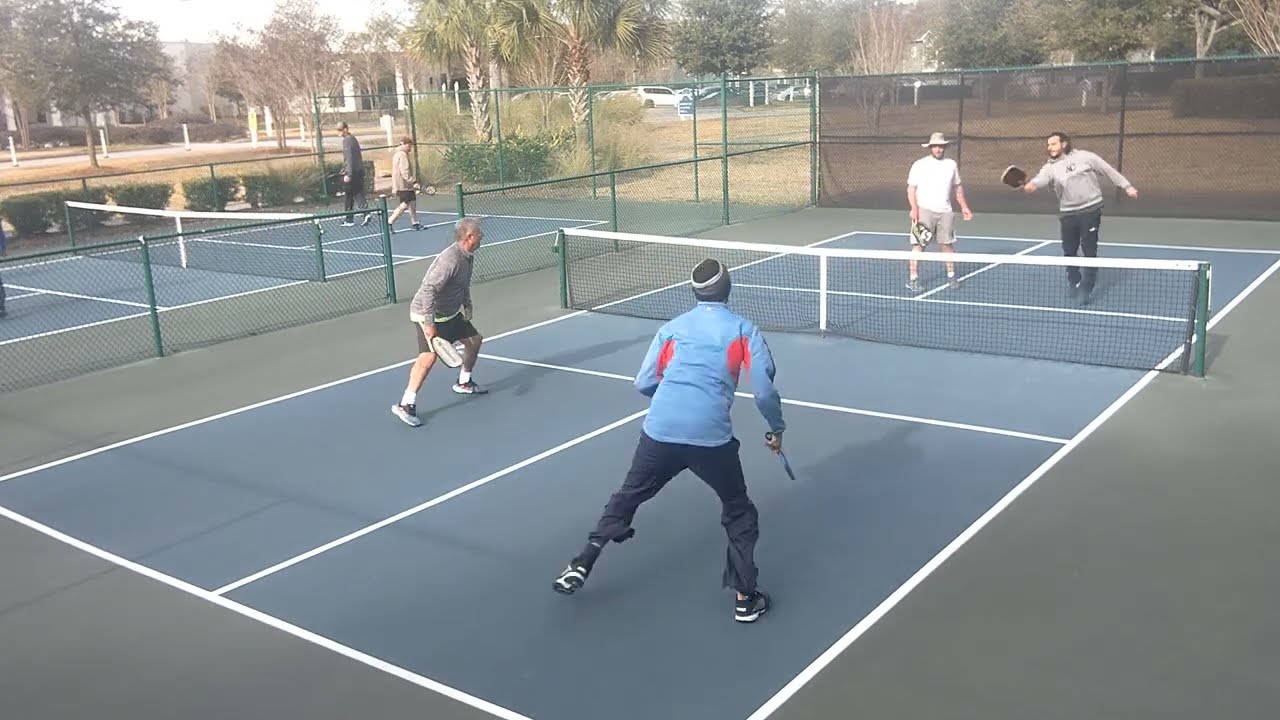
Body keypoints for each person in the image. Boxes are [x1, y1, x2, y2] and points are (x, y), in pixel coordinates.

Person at [551, 258, 787, 623]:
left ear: (695, 292)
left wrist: (675, 399)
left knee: (627, 496)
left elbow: (644, 382)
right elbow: (764, 392)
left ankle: (583, 560)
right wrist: (776, 428)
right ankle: (745, 597)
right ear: (728, 290)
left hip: (659, 431)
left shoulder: (672, 329)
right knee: (739, 510)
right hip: (710, 440)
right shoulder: (744, 331)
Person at [1019, 131, 1138, 304]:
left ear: (1064, 144)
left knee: (1089, 250)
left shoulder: (1085, 157)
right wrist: (1031, 186)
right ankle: (1074, 281)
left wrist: (1126, 186)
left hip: (1091, 210)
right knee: (1069, 251)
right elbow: (1040, 180)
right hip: (1068, 213)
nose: (1049, 147)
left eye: (1053, 143)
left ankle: (1086, 288)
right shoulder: (1050, 167)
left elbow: (1108, 170)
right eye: (1048, 145)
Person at [392, 217, 486, 427]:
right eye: (479, 233)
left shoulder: (467, 256)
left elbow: (462, 283)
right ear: (469, 237)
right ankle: (406, 404)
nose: (482, 236)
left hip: (450, 313)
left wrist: (467, 304)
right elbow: (428, 289)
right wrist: (428, 322)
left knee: (474, 340)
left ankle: (463, 382)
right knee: (428, 358)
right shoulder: (450, 259)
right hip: (428, 314)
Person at [906, 132, 972, 293]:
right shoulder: (919, 165)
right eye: (935, 146)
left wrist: (964, 206)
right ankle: (913, 279)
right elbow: (911, 188)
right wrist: (914, 209)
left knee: (947, 245)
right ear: (930, 148)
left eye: (940, 146)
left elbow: (958, 187)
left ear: (944, 147)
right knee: (919, 245)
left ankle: (951, 276)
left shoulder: (951, 165)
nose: (938, 149)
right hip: (924, 211)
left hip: (946, 212)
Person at [337, 122, 371, 227]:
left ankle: (349, 219)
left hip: (353, 172)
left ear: (345, 129)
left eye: (340, 130)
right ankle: (365, 213)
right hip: (358, 171)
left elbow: (350, 158)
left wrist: (349, 174)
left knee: (349, 195)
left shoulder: (347, 141)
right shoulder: (353, 139)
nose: (339, 132)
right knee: (357, 193)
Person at [387, 137, 422, 232]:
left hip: (406, 186)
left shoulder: (398, 154)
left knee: (412, 203)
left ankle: (414, 222)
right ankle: (390, 221)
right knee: (405, 204)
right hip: (403, 185)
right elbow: (404, 171)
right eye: (409, 145)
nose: (410, 147)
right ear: (404, 144)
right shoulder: (402, 155)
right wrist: (413, 181)